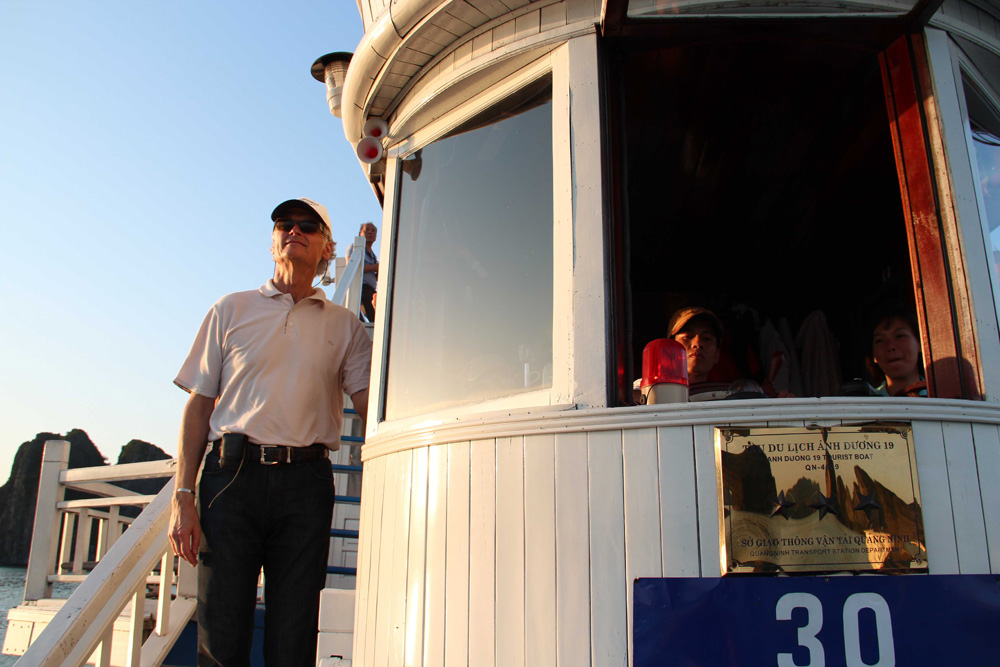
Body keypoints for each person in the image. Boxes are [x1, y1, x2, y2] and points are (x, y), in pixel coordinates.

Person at [168, 197, 373, 666]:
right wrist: (183, 495)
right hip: (230, 479)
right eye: (284, 224)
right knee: (221, 629)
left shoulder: (346, 327)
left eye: (308, 226)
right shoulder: (230, 309)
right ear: (273, 241)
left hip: (305, 485)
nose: (294, 230)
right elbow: (199, 407)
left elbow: (368, 403)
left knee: (294, 632)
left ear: (327, 249)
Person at [869, 304, 926, 396]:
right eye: (880, 340)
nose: (891, 347)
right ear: (873, 355)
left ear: (920, 344)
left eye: (900, 336)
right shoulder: (868, 405)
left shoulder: (942, 395)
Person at [667, 306, 724, 385]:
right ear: (669, 351)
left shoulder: (726, 395)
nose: (697, 344)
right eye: (687, 337)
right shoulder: (654, 395)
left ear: (717, 354)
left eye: (706, 338)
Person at [348, 221, 379, 322]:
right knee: (374, 318)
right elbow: (351, 265)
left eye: (373, 230)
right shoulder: (355, 248)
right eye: (366, 230)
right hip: (361, 289)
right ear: (359, 234)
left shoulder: (373, 256)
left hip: (371, 290)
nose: (370, 232)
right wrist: (374, 267)